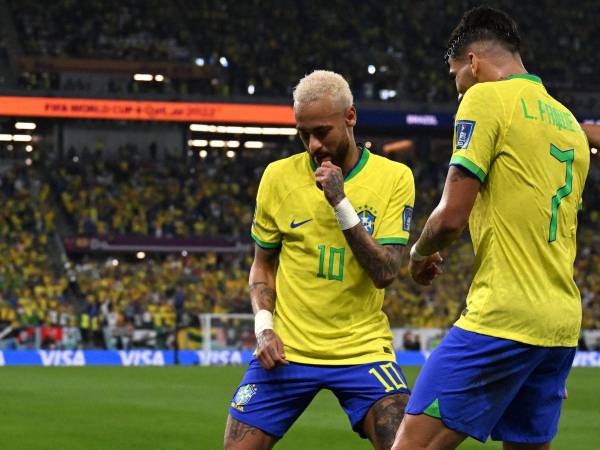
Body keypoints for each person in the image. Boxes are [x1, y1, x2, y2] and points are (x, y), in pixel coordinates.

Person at [392, 7, 590, 450]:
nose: (457, 87)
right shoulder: (569, 123)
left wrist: (419, 253)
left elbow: (450, 217)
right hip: (558, 325)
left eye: (456, 75)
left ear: (474, 62)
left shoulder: (485, 98)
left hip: (503, 315)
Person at [224, 70, 415, 450]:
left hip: (362, 349)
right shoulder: (277, 178)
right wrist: (264, 329)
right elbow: (262, 266)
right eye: (303, 133)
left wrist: (340, 203)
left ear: (351, 117)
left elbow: (386, 272)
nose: (313, 145)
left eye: (322, 132)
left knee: (404, 445)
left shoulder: (394, 177)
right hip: (288, 350)